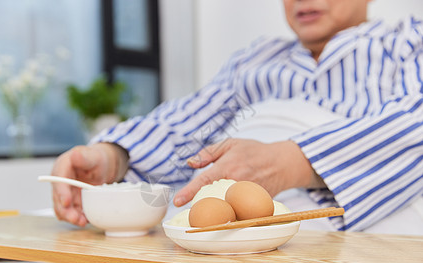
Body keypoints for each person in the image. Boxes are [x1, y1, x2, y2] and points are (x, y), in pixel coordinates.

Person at [51, 0, 423, 232]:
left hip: (331, 238)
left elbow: (414, 122)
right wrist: (113, 157)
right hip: (217, 241)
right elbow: (189, 126)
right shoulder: (256, 60)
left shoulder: (407, 43)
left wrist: (290, 163)